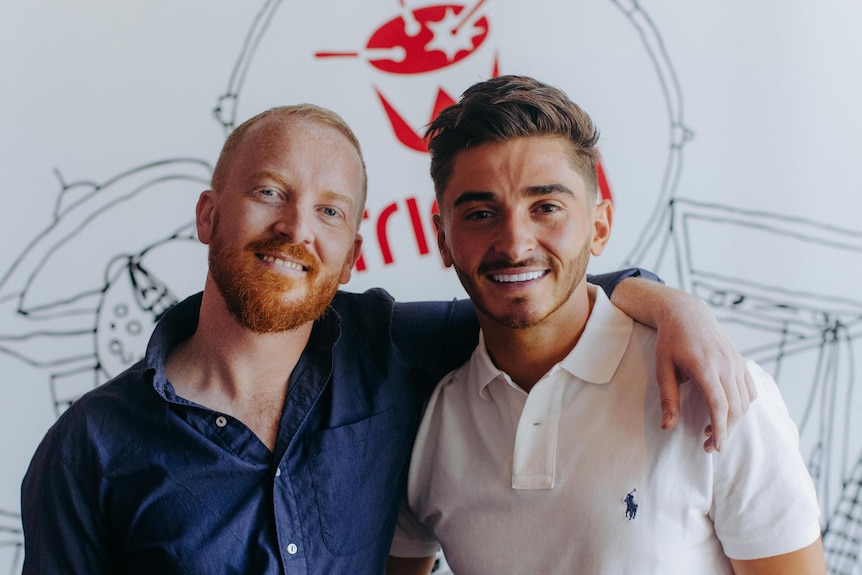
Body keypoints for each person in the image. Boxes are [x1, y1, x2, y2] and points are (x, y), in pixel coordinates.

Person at [21, 103, 752, 574]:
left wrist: (673, 303)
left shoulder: (391, 350)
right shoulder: (90, 447)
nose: (296, 228)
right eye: (269, 192)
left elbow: (538, 291)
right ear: (209, 215)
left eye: (330, 211)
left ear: (353, 252)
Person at [387, 76, 825, 574]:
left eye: (546, 208)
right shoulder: (426, 422)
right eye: (482, 213)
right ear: (443, 239)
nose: (514, 242)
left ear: (599, 227)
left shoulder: (717, 394)